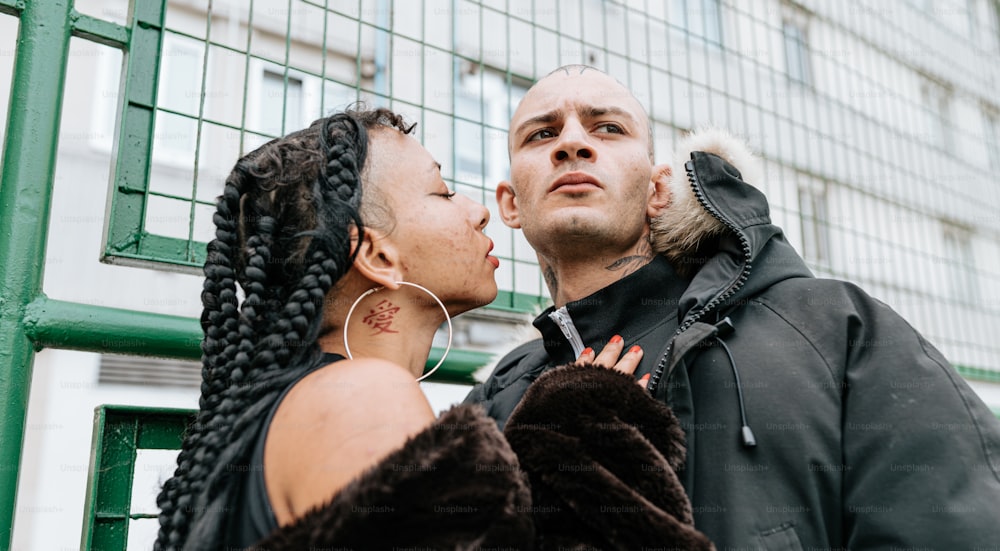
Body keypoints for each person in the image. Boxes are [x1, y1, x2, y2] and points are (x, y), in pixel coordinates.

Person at [466, 65, 1000, 549]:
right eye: (542, 133)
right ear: (510, 204)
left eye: (607, 128)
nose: (572, 144)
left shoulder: (835, 327)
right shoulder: (496, 399)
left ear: (659, 190)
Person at [153, 105, 713, 551]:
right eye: (442, 193)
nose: (478, 210)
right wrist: (585, 449)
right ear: (376, 255)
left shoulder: (301, 404)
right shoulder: (362, 398)